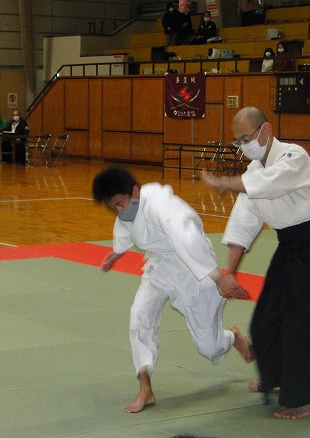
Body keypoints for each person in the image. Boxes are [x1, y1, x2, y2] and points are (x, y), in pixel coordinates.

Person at [200, 106, 310, 420]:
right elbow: (243, 224)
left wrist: (225, 182)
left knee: (303, 324)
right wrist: (230, 272)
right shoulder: (254, 173)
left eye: (246, 138)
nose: (243, 146)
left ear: (266, 130)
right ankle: (277, 376)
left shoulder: (295, 157)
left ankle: (307, 399)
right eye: (238, 142)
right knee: (266, 319)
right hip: (290, 248)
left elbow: (271, 183)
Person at [92, 166, 253, 414]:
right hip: (161, 266)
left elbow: (187, 240)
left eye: (120, 204)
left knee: (209, 347)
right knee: (139, 316)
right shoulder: (128, 209)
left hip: (193, 269)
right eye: (113, 207)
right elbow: (128, 227)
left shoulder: (162, 206)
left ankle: (232, 337)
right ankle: (145, 389)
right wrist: (116, 252)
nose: (119, 210)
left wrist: (219, 279)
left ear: (135, 191)